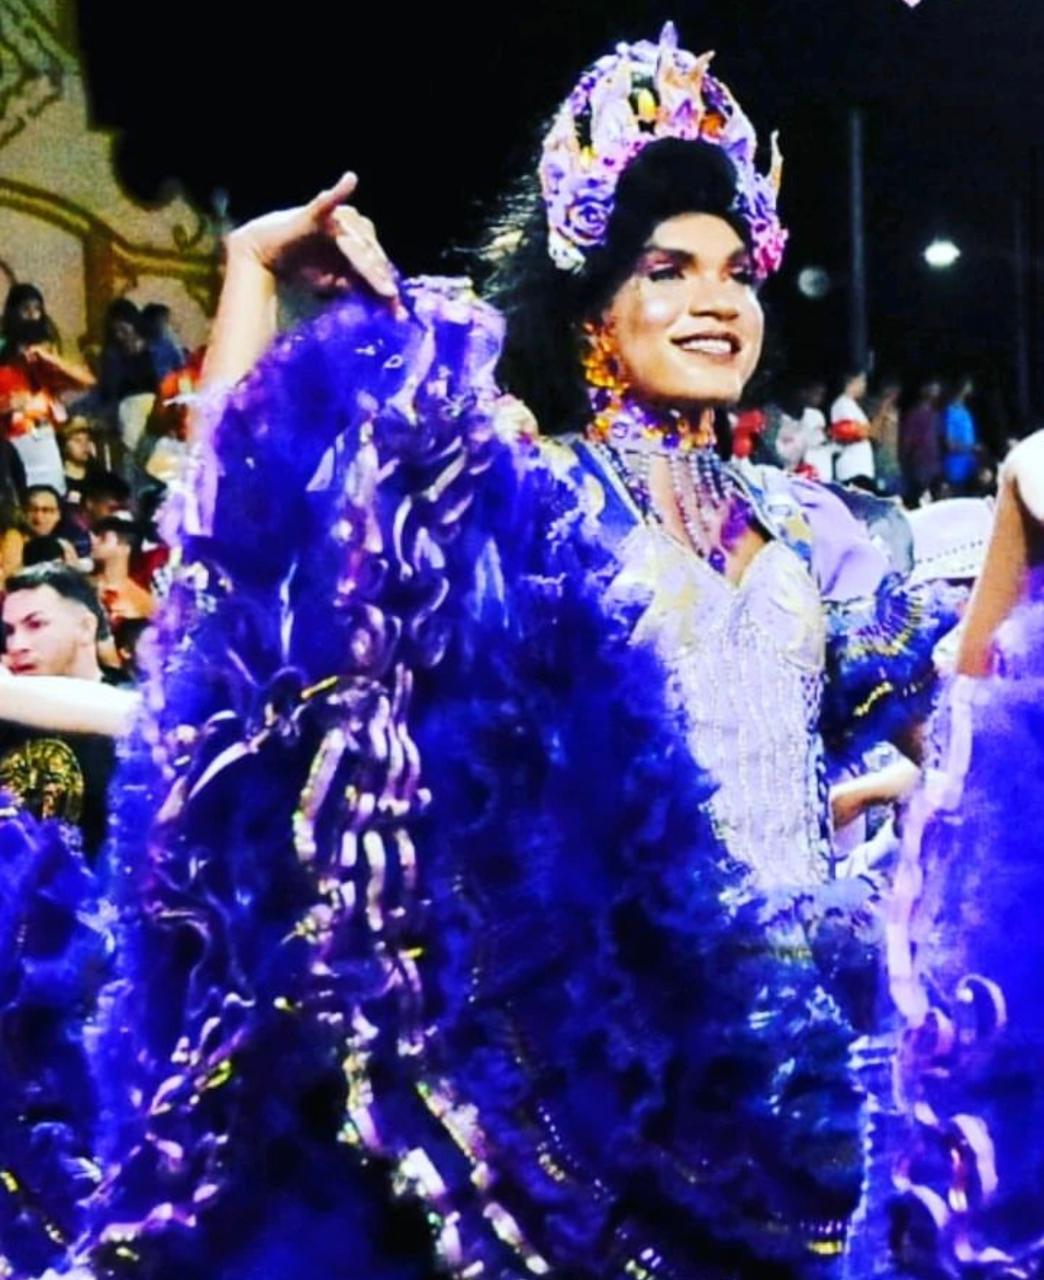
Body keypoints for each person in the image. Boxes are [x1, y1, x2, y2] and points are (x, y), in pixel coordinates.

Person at [0, 26, 1004, 1280]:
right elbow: (246, 547)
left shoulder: (811, 521)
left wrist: (1019, 523)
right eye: (670, 268)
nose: (719, 301)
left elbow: (966, 711)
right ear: (594, 306)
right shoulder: (535, 488)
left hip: (822, 1037)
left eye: (737, 272)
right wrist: (252, 274)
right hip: (613, 1048)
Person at [0, 563, 131, 860]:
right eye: (10, 631)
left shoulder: (134, 708)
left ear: (85, 628)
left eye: (35, 625)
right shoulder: (8, 717)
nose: (17, 645)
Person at [0, 283, 96, 492]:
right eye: (26, 309)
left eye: (37, 309)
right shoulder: (4, 362)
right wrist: (6, 405)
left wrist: (50, 358)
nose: (33, 316)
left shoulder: (45, 363)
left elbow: (87, 381)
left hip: (46, 441)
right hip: (13, 446)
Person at [90, 512, 154, 626]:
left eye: (103, 537)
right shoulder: (80, 583)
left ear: (125, 547)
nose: (93, 541)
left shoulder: (141, 601)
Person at [898, 377, 941, 506]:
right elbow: (907, 440)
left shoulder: (934, 413)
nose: (936, 392)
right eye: (932, 388)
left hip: (933, 463)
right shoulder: (915, 414)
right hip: (919, 464)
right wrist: (905, 461)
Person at [830, 368, 875, 485]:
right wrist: (865, 429)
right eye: (862, 381)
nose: (864, 385)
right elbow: (845, 431)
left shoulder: (853, 405)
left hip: (862, 466)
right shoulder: (841, 404)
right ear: (852, 381)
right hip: (852, 466)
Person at [941, 374, 979, 492]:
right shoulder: (950, 411)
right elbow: (949, 443)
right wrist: (970, 447)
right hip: (955, 468)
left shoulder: (965, 411)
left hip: (969, 466)